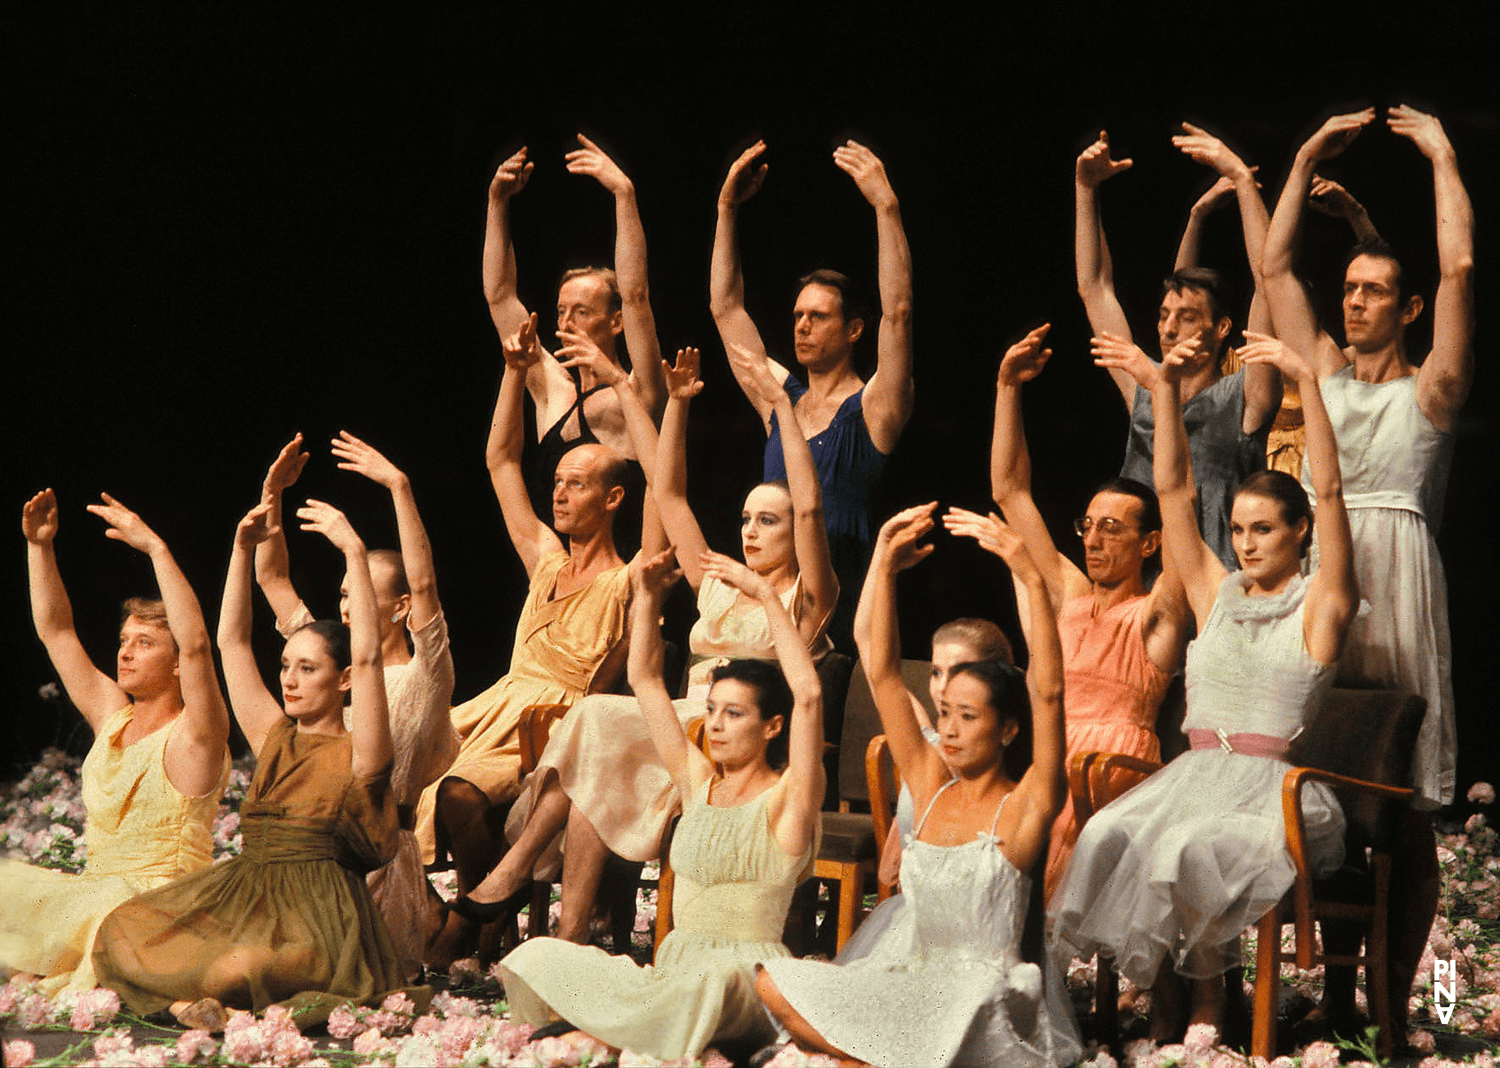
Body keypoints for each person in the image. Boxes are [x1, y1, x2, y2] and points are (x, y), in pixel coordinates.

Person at [451, 341, 835, 943]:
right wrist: (665, 401)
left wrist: (785, 412)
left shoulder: (805, 598)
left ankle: (517, 867)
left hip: (738, 738)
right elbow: (669, 491)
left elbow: (811, 507)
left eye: (769, 521)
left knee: (597, 717)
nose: (752, 532)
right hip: (678, 728)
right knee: (591, 775)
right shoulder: (716, 582)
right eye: (745, 519)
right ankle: (570, 935)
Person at [1050, 331, 1359, 1040]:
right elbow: (1174, 490)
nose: (1247, 543)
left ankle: (1213, 997)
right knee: (1106, 834)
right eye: (1241, 530)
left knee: (1185, 848)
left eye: (1265, 531)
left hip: (1270, 789)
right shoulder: (1215, 591)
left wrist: (1308, 384)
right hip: (1195, 774)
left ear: (1300, 532)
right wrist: (1162, 391)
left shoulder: (1321, 606)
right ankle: (1165, 992)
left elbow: (1334, 491)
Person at [1260, 104, 1473, 1044]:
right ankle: (1336, 988)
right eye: (1347, 287)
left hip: (1400, 579)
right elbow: (1271, 270)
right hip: (1323, 585)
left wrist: (1438, 153)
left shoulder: (1429, 391)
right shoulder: (1322, 380)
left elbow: (1460, 266)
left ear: (1407, 307)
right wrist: (1304, 158)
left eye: (1374, 290)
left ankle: (1389, 998)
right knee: (1316, 788)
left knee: (1405, 811)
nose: (1353, 301)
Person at [756, 503, 1074, 1068]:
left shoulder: (1026, 804)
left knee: (965, 1003)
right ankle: (876, 1056)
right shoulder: (930, 784)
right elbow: (879, 669)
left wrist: (1028, 573)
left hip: (983, 996)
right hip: (913, 980)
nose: (948, 729)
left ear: (1007, 728)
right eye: (945, 712)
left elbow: (1048, 691)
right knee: (773, 981)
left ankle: (873, 1056)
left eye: (968, 717)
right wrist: (881, 563)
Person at [93, 497, 415, 1026]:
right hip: (245, 895)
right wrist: (241, 551)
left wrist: (353, 549)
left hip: (316, 918)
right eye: (287, 665)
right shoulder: (274, 737)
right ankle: (184, 1007)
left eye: (307, 669)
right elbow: (232, 643)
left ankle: (212, 996)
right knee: (121, 928)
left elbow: (369, 654)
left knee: (230, 971)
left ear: (344, 680)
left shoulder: (363, 754)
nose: (289, 679)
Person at [493, 547, 824, 1062]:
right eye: (711, 710)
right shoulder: (697, 784)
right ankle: (636, 1034)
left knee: (701, 989)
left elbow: (808, 696)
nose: (714, 724)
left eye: (734, 714)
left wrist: (764, 594)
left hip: (742, 979)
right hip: (671, 972)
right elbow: (645, 678)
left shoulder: (790, 797)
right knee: (535, 956)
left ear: (772, 726)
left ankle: (605, 1037)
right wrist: (646, 597)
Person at [417, 313, 652, 964]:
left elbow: (666, 487)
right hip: (500, 708)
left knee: (464, 794)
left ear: (613, 498)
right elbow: (500, 460)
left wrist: (624, 388)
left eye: (577, 484)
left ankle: (479, 928)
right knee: (428, 783)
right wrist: (512, 374)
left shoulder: (628, 578)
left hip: (562, 723)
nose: (559, 494)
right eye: (558, 483)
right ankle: (477, 923)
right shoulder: (546, 559)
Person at [977, 322, 1191, 903]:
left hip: (1110, 775)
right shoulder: (1072, 596)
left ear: (1149, 544)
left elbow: (1176, 496)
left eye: (1112, 529)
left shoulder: (1157, 614)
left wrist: (1162, 394)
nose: (1092, 541)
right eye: (1087, 526)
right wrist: (1007, 388)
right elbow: (1010, 491)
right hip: (1045, 755)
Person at [1, 491, 230, 996]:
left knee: (109, 916)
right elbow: (57, 632)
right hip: (93, 891)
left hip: (165, 906)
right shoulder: (112, 714)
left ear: (176, 665)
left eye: (144, 643)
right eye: (125, 641)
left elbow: (197, 645)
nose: (126, 653)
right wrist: (39, 548)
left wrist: (156, 550)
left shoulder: (196, 734)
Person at [252, 431, 457, 982]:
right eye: (344, 592)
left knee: (346, 976)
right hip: (312, 850)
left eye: (361, 590)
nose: (348, 605)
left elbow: (426, 581)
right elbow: (272, 577)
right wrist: (271, 494)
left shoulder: (423, 673)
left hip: (379, 855)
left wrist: (399, 486)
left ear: (401, 606)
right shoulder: (327, 661)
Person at [710, 138, 914, 645]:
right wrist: (726, 209)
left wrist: (886, 206)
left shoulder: (875, 407)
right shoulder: (778, 397)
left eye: (818, 316)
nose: (801, 326)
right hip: (773, 599)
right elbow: (727, 310)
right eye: (798, 315)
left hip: (839, 602)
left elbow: (900, 312)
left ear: (854, 330)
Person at [1076, 125, 1280, 568]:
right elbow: (1095, 287)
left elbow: (1270, 285)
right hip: (1142, 588)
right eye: (1165, 316)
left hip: (1215, 587)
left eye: (1187, 318)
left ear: (1222, 328)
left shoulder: (1244, 396)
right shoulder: (1144, 389)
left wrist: (1244, 184)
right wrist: (1085, 189)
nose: (1169, 329)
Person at [481, 135, 666, 510]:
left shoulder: (638, 390)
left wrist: (624, 195)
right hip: (558, 562)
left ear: (616, 322)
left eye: (582, 312)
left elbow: (636, 296)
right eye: (562, 312)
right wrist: (496, 203)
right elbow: (500, 295)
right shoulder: (552, 388)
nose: (567, 323)